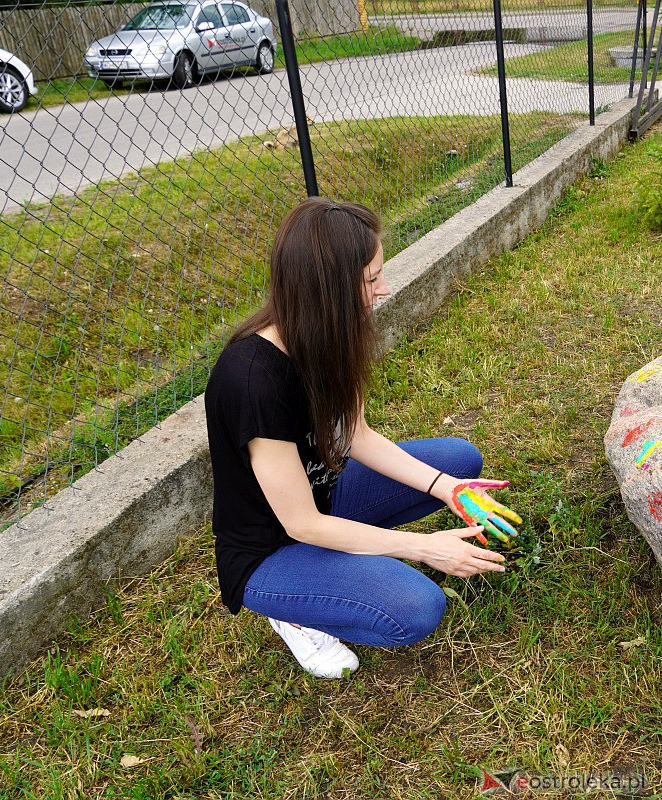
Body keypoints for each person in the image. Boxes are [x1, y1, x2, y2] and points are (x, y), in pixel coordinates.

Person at [204, 197, 510, 678]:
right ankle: (295, 614)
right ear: (326, 286)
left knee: (458, 462)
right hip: (271, 548)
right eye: (371, 279)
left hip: (323, 499)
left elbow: (356, 434)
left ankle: (339, 565)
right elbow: (301, 525)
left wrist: (445, 488)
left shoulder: (325, 334)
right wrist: (426, 548)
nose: (384, 289)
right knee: (415, 607)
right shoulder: (251, 381)